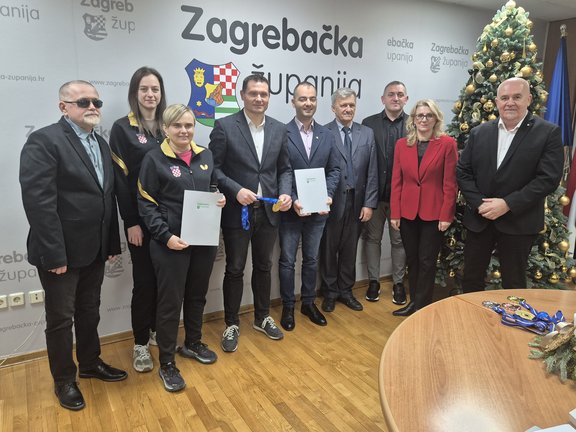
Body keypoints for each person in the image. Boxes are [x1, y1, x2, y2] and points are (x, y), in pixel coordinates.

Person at [19, 80, 127, 411]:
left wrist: (111, 243)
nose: (92, 106)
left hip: (94, 249)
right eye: (83, 102)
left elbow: (107, 197)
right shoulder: (44, 141)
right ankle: (64, 379)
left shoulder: (100, 142)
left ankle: (90, 363)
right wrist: (54, 254)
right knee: (61, 320)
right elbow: (39, 203)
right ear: (63, 107)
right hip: (61, 253)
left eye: (96, 101)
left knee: (89, 310)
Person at [138, 104, 226, 392]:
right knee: (170, 303)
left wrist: (219, 197)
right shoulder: (153, 159)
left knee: (197, 295)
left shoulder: (205, 155)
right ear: (165, 129)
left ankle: (193, 343)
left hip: (202, 240)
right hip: (170, 244)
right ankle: (167, 362)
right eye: (177, 125)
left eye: (189, 125)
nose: (184, 131)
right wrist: (165, 236)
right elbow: (146, 204)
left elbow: (212, 187)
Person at [209, 74, 292, 353]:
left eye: (264, 94)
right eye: (254, 93)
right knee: (234, 269)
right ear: (242, 95)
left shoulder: (279, 129)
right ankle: (231, 323)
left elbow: (285, 169)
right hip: (237, 212)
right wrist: (235, 190)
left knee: (264, 266)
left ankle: (261, 317)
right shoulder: (224, 126)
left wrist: (285, 192)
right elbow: (214, 169)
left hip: (269, 211)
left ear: (269, 97)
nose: (259, 98)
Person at [457, 77, 564, 292]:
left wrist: (507, 204)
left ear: (529, 99)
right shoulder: (479, 132)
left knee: (513, 284)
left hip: (519, 222)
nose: (510, 103)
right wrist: (480, 204)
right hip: (480, 219)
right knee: (471, 279)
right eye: (504, 98)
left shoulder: (547, 133)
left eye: (517, 97)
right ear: (497, 102)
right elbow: (463, 172)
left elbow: (548, 179)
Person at [109, 66, 166, 373]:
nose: (150, 94)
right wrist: (130, 221)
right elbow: (120, 182)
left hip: (169, 221)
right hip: (140, 222)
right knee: (144, 282)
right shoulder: (122, 128)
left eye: (155, 89)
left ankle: (156, 330)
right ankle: (140, 343)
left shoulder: (169, 125)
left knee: (164, 280)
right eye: (144, 89)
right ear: (135, 93)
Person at [278, 82, 341, 331]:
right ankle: (287, 306)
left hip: (318, 211)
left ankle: (308, 303)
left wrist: (327, 195)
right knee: (287, 261)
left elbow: (334, 169)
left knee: (312, 259)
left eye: (312, 99)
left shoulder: (327, 134)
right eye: (303, 99)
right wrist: (293, 198)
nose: (308, 103)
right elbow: (281, 171)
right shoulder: (282, 133)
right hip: (291, 211)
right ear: (293, 102)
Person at [390, 99, 458, 317]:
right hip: (407, 212)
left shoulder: (447, 144)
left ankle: (422, 306)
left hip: (434, 213)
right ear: (413, 119)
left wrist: (446, 214)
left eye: (429, 115)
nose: (424, 119)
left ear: (436, 119)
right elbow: (397, 181)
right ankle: (414, 303)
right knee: (412, 259)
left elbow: (450, 183)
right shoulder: (402, 144)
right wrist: (395, 212)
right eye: (419, 115)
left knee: (427, 261)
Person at [320, 88, 379, 313]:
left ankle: (346, 291)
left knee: (349, 249)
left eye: (351, 105)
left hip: (357, 201)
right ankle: (329, 292)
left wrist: (369, 203)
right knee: (328, 249)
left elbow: (372, 171)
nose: (348, 109)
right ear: (333, 108)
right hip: (332, 202)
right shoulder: (323, 132)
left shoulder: (367, 133)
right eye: (343, 105)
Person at [362, 81, 409, 304]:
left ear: (406, 99)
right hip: (374, 196)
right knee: (372, 239)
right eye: (391, 94)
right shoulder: (368, 124)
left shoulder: (414, 124)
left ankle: (398, 283)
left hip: (402, 198)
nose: (395, 98)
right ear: (383, 99)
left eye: (400, 94)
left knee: (398, 242)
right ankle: (374, 281)